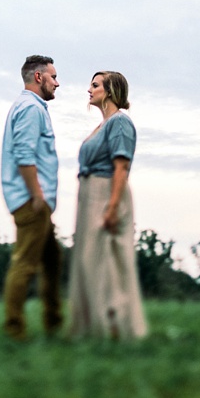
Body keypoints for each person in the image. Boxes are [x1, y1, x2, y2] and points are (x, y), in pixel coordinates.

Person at [68, 70, 147, 340]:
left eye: (95, 85)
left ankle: (116, 328)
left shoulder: (120, 123)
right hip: (89, 195)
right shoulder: (101, 126)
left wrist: (112, 208)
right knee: (89, 262)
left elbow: (121, 167)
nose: (89, 90)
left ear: (110, 91)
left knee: (108, 263)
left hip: (106, 192)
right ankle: (93, 328)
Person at [0, 55, 63, 339]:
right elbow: (24, 156)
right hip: (31, 201)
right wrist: (37, 196)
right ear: (39, 77)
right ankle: (15, 331)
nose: (57, 83)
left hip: (37, 201)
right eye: (53, 77)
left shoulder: (31, 107)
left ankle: (54, 323)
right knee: (25, 264)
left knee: (52, 260)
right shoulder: (30, 109)